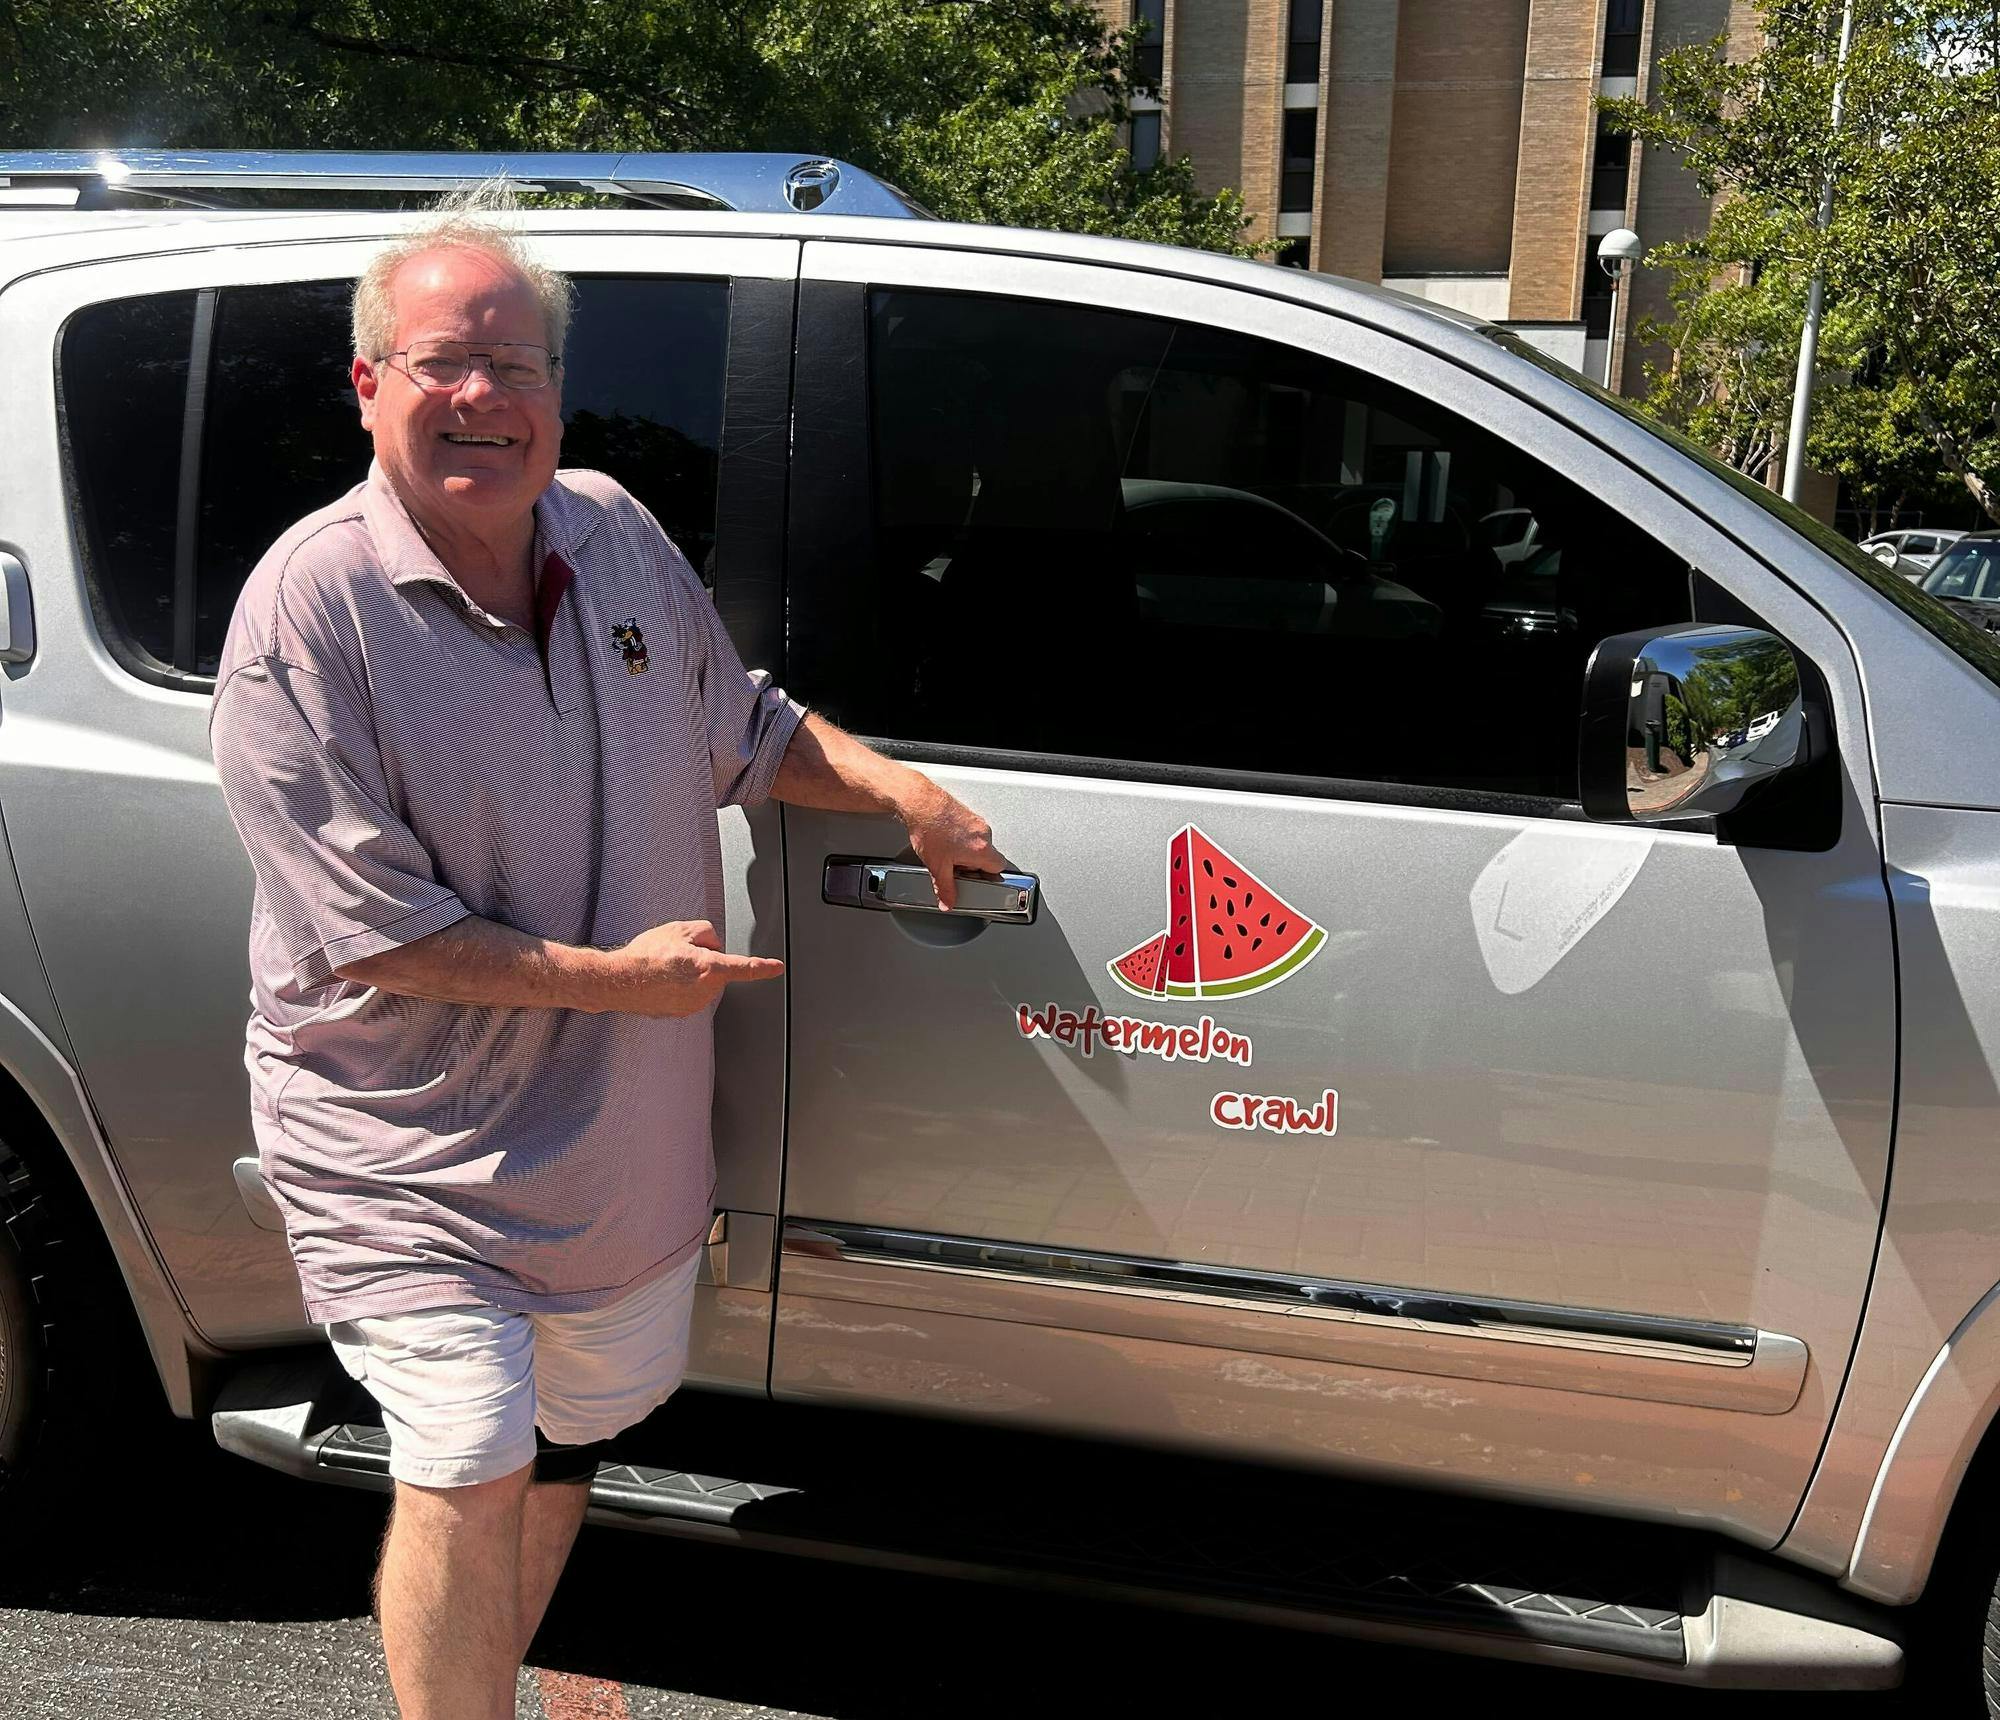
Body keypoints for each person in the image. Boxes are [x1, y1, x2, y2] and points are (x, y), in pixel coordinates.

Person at [208, 186, 1002, 1720]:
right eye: (440, 361)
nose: (480, 397)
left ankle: (487, 1680)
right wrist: (622, 985)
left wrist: (899, 788)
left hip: (613, 1152)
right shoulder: (309, 611)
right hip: (407, 1147)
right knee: (468, 1453)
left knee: (565, 1440)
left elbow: (747, 727)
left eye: (514, 366)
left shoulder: (617, 536)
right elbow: (374, 932)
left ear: (556, 395)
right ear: (368, 385)